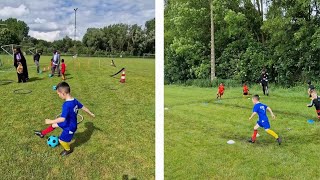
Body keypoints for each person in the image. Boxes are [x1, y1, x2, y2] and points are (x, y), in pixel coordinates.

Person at [34, 82, 95, 156]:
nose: (58, 96)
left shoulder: (66, 105)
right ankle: (42, 133)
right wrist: (90, 113)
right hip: (67, 122)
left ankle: (68, 150)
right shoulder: (74, 100)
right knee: (53, 125)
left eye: (58, 94)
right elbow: (83, 107)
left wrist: (50, 121)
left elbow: (62, 119)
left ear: (63, 93)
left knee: (61, 140)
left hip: (70, 126)